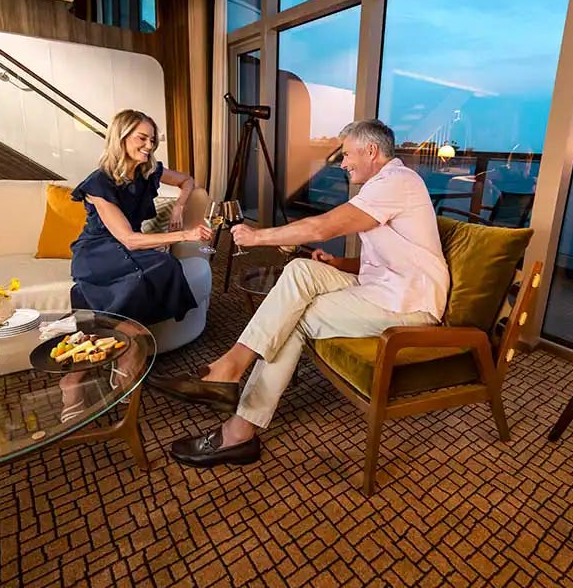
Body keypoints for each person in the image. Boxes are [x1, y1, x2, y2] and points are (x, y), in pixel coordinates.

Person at [153, 119, 450, 467]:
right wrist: (339, 263)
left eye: (347, 154)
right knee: (300, 270)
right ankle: (228, 370)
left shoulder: (397, 181)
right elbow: (389, 259)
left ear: (371, 151)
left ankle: (238, 430)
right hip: (385, 287)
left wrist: (258, 237)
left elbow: (322, 227)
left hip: (410, 303)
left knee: (294, 318)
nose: (343, 163)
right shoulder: (384, 186)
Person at [69, 109, 211, 327]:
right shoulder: (98, 184)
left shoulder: (149, 171)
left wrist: (179, 206)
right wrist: (185, 234)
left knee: (167, 265)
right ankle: (121, 330)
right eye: (142, 138)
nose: (149, 145)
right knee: (137, 280)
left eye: (152, 140)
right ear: (121, 138)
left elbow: (187, 181)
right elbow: (129, 239)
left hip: (128, 245)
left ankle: (131, 331)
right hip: (98, 250)